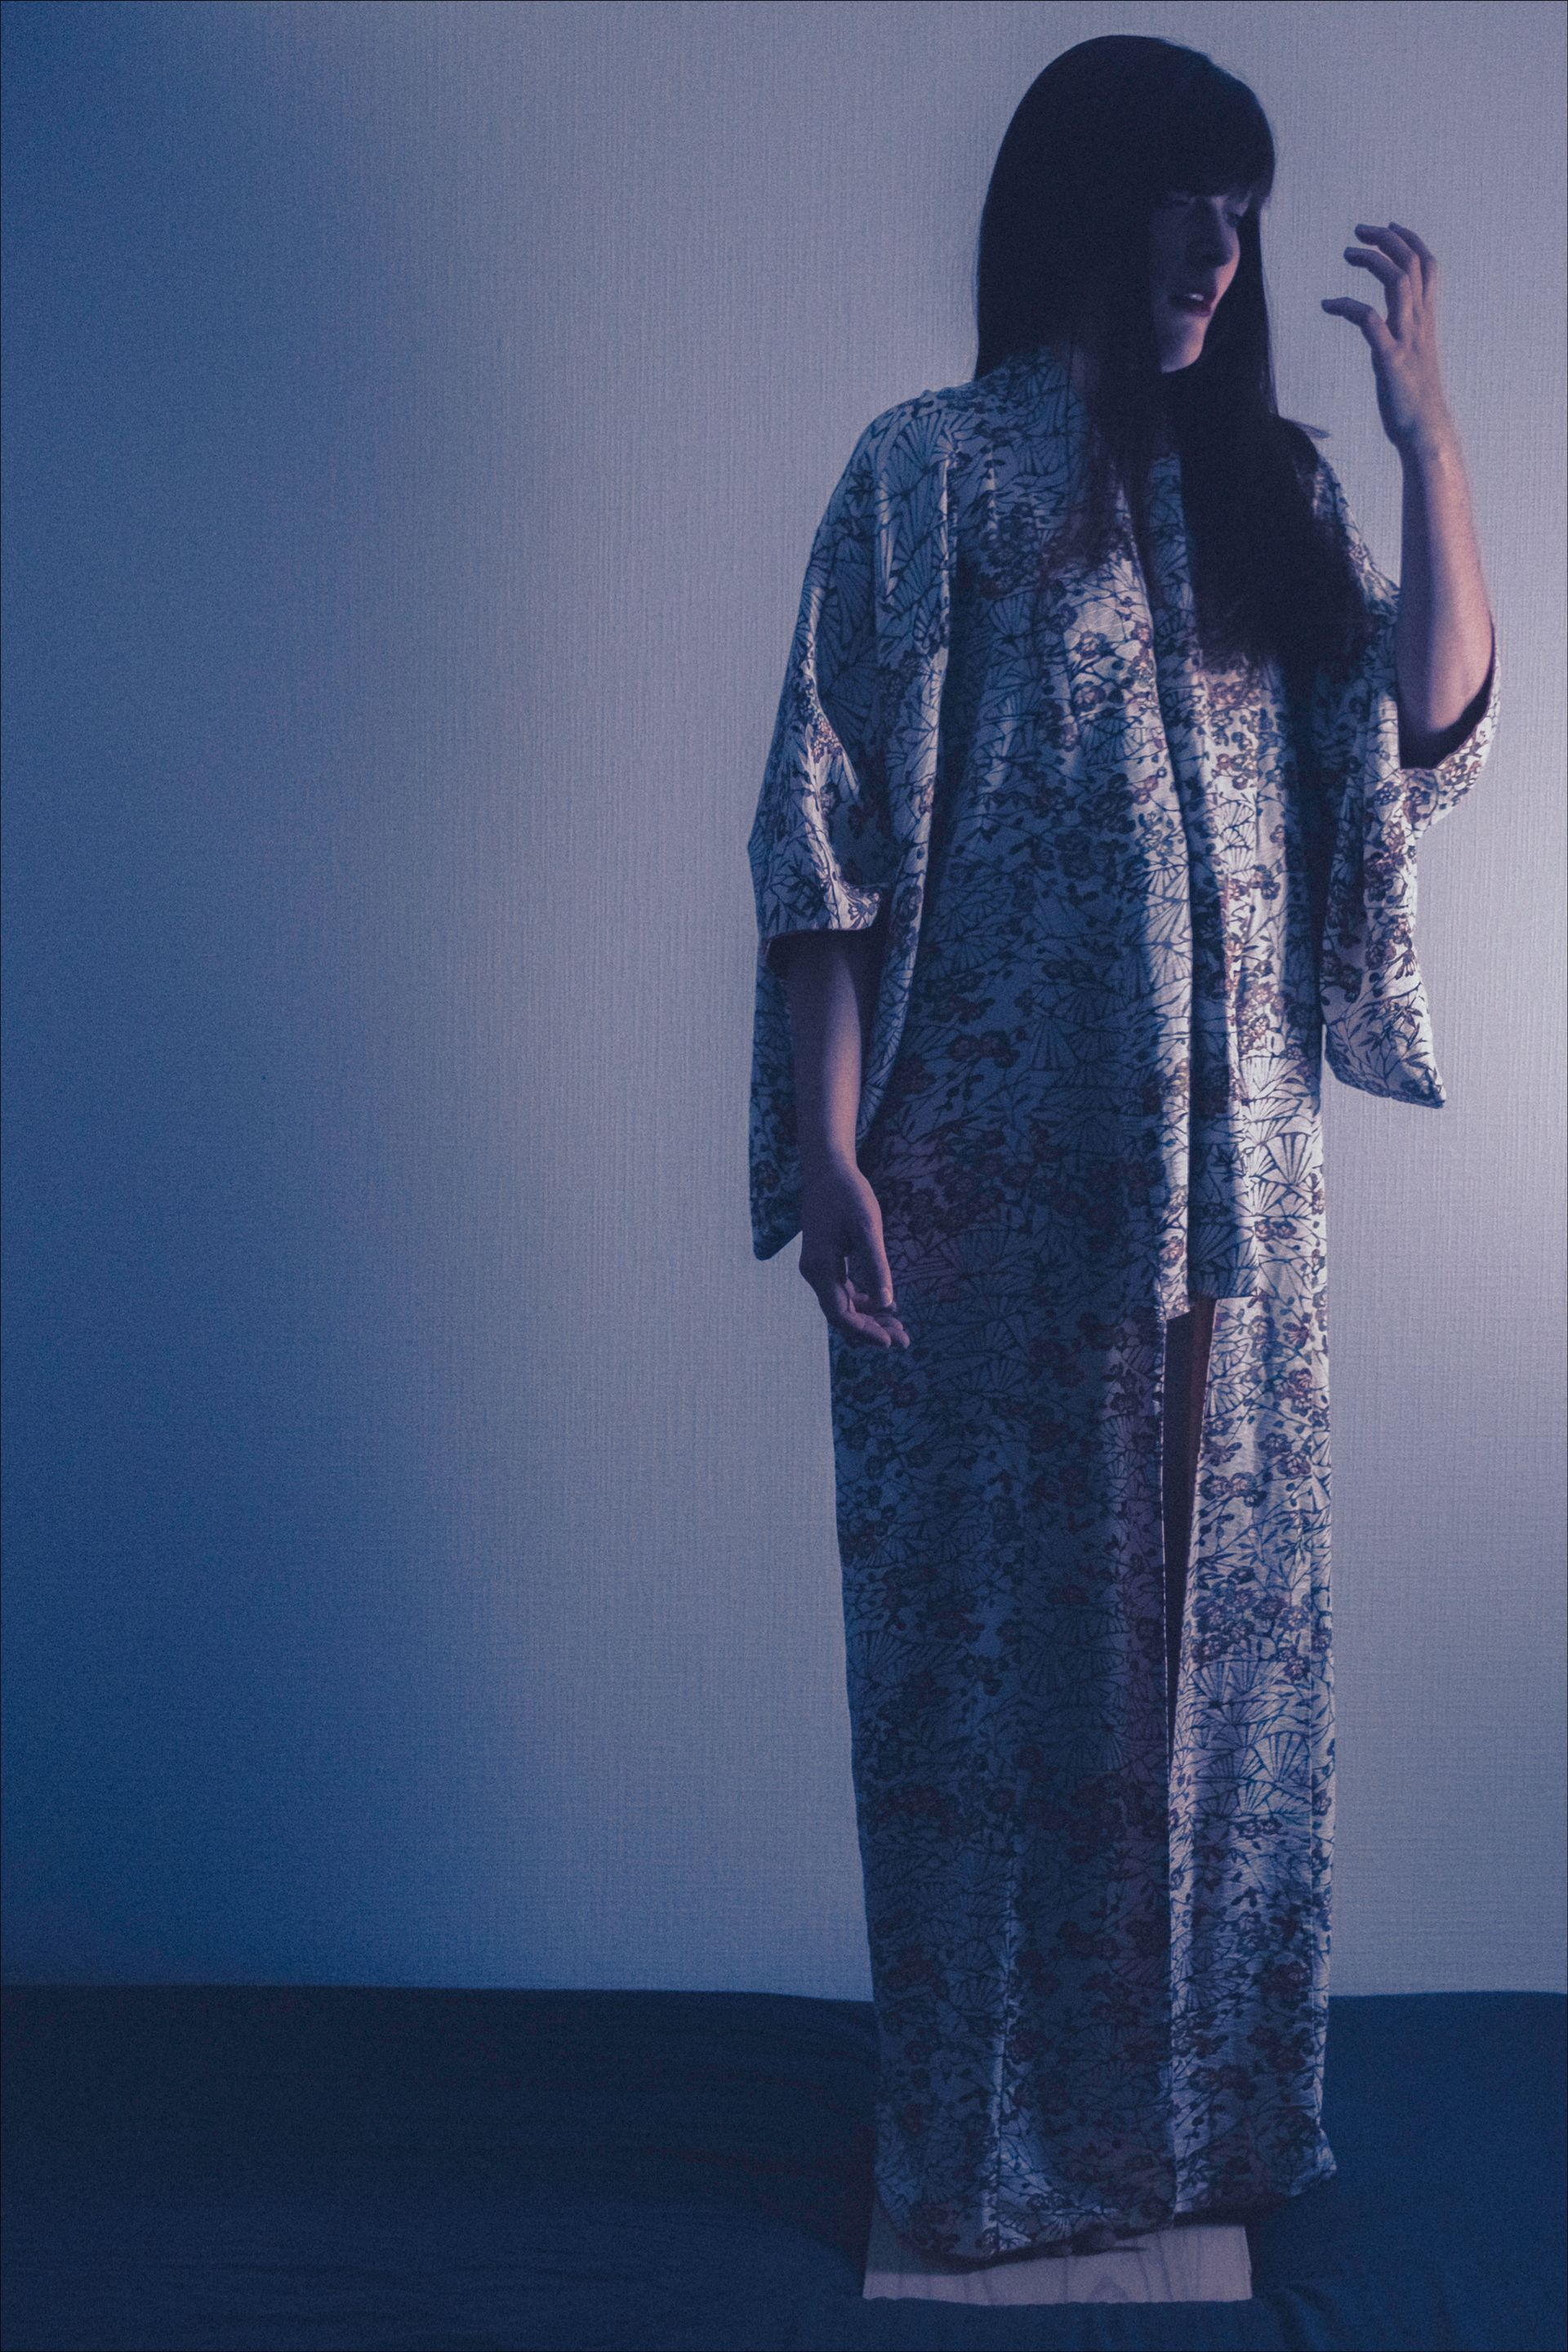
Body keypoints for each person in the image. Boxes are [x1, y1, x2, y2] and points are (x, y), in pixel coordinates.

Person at [746, 35, 1498, 2286]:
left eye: (1242, 210)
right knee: (996, 1679)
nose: (1217, 248)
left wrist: (1424, 425)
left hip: (1240, 1212)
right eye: (1181, 198)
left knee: (1221, 1687)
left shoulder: (1278, 489)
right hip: (991, 1204)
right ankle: (988, 2154)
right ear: (1080, 206)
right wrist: (827, 1135)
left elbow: (1432, 736)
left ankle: (1200, 2137)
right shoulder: (931, 481)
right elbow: (826, 827)